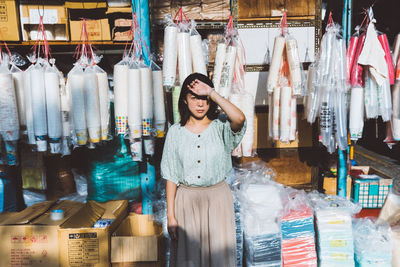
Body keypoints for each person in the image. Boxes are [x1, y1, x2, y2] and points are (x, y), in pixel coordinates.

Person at [161, 73, 246, 267]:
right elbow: (171, 175)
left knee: (219, 258)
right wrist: (171, 216)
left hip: (217, 200)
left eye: (204, 99)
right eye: (195, 98)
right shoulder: (175, 132)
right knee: (188, 259)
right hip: (186, 201)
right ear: (185, 99)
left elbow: (240, 118)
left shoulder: (221, 127)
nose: (200, 104)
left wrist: (211, 92)